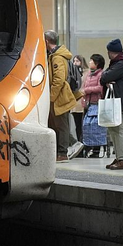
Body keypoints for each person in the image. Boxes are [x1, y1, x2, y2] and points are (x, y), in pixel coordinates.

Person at [101, 39, 123, 170]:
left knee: (120, 129)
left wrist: (106, 78)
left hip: (120, 101)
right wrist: (107, 78)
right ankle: (119, 156)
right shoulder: (117, 63)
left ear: (112, 52)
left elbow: (104, 77)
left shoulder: (121, 64)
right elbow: (106, 76)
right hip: (116, 100)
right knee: (113, 129)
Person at [45, 30, 78, 162]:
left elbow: (58, 79)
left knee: (61, 125)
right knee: (57, 125)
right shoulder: (54, 55)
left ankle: (62, 153)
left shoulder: (57, 57)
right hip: (58, 96)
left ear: (46, 41)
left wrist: (51, 97)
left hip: (60, 97)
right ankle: (59, 152)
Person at [79, 54, 107, 158]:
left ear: (97, 63)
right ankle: (88, 146)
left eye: (92, 61)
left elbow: (100, 88)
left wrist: (87, 90)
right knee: (86, 126)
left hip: (97, 103)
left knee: (96, 126)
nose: (90, 62)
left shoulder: (101, 74)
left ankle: (96, 149)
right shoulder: (89, 74)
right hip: (88, 103)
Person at [69, 54, 88, 158]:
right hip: (75, 103)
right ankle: (79, 148)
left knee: (83, 126)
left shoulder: (87, 73)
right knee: (77, 126)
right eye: (74, 61)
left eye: (77, 61)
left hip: (83, 101)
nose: (75, 63)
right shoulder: (73, 73)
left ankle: (84, 146)